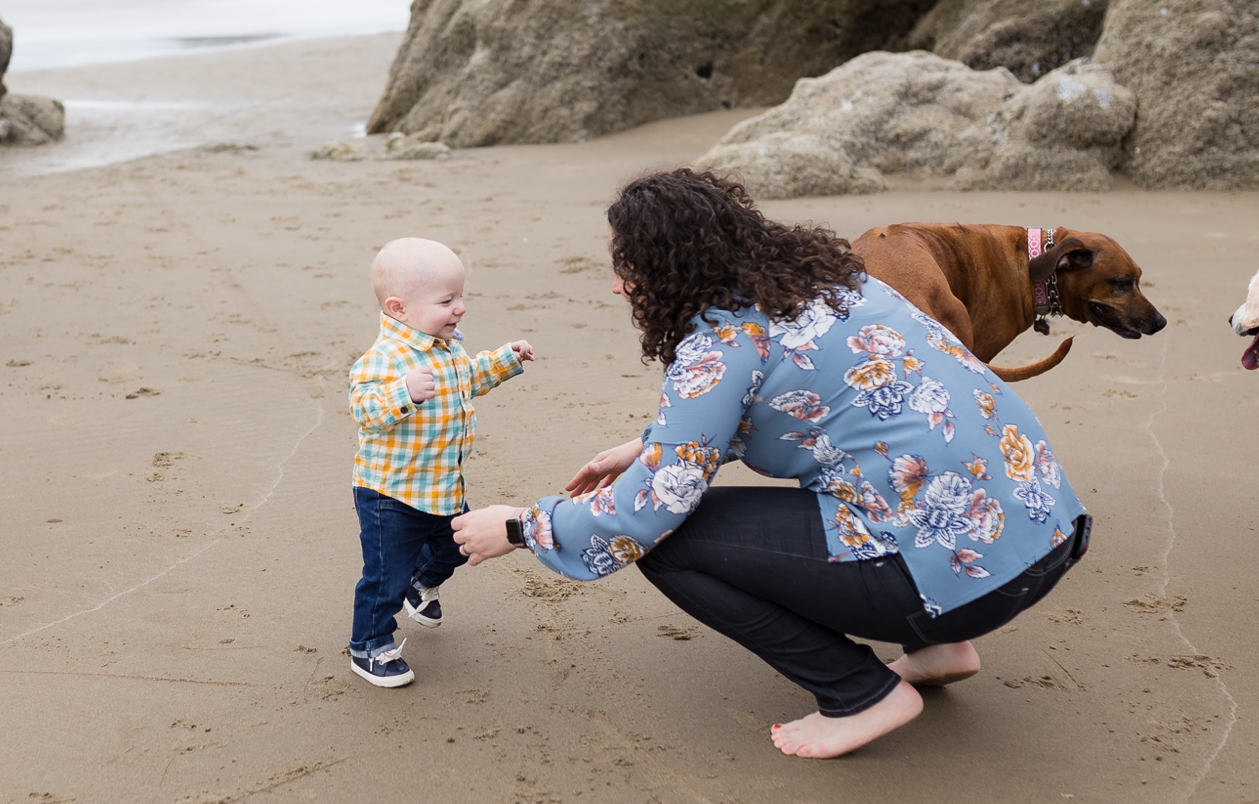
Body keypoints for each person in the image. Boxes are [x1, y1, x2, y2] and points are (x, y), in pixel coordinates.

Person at [450, 169, 1091, 758]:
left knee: (671, 542)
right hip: (1048, 535)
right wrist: (653, 445)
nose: (618, 283)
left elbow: (641, 516)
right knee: (896, 473)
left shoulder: (720, 346)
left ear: (670, 267)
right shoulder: (839, 283)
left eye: (626, 264)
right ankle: (939, 647)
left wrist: (519, 526)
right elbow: (822, 402)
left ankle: (860, 693)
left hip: (965, 580)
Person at [346, 238, 534, 688]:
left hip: (442, 488)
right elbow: (365, 411)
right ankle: (369, 645)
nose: (461, 308)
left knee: (458, 547)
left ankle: (421, 581)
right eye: (447, 300)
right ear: (399, 307)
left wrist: (507, 360)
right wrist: (403, 393)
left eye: (460, 297)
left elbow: (470, 379)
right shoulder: (385, 359)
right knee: (383, 575)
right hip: (389, 493)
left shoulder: (447, 349)